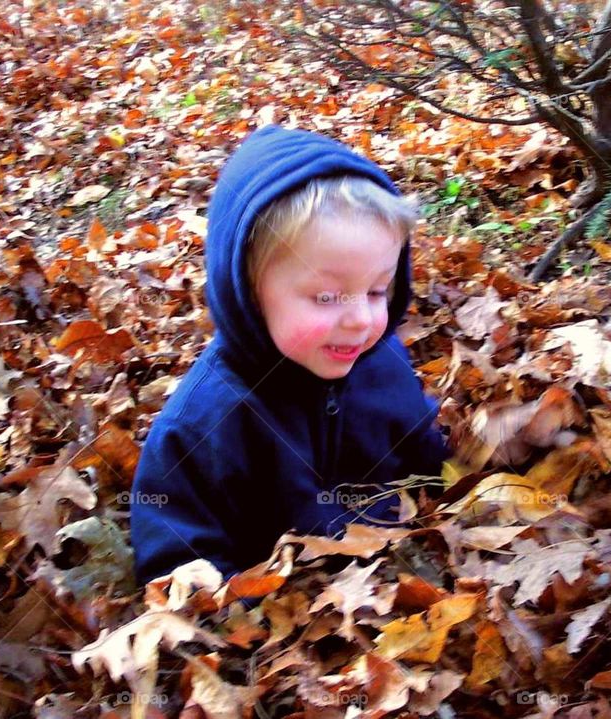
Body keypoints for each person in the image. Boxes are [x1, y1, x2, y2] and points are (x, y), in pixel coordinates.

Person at [130, 124, 451, 586]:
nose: (361, 319)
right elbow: (176, 563)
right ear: (248, 294)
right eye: (326, 297)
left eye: (378, 290)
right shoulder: (201, 425)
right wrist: (241, 613)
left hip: (389, 591)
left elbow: (425, 462)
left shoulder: (383, 367)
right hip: (278, 622)